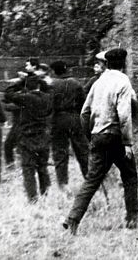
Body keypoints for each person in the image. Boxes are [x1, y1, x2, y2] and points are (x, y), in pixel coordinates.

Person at [63, 48, 138, 235]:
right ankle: (131, 219)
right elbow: (125, 113)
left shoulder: (99, 81)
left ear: (107, 63)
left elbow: (84, 113)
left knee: (91, 180)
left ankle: (72, 219)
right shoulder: (123, 81)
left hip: (98, 136)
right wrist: (128, 143)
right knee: (129, 176)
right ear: (123, 63)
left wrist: (91, 136)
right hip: (117, 137)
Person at [5, 75, 53, 202]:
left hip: (28, 136)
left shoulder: (26, 98)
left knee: (28, 168)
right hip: (43, 135)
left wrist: (19, 82)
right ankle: (46, 194)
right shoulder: (48, 98)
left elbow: (8, 94)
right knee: (43, 167)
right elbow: (49, 89)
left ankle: (32, 198)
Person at [49, 60, 89, 188]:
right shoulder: (76, 83)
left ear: (55, 71)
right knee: (82, 151)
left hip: (58, 119)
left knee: (60, 152)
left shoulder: (52, 85)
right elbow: (84, 104)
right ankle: (90, 180)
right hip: (75, 119)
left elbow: (49, 105)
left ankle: (63, 184)